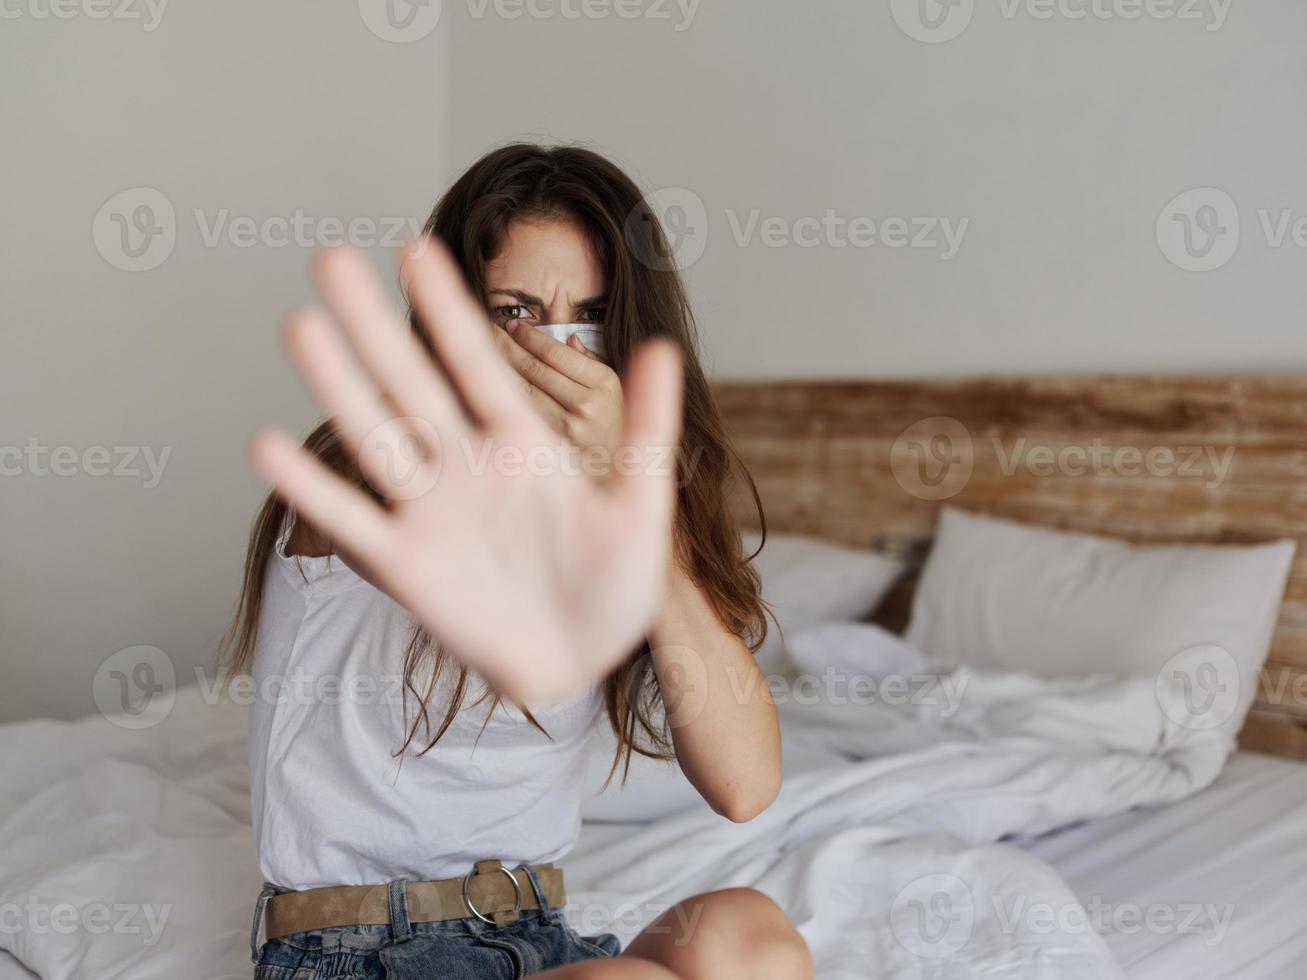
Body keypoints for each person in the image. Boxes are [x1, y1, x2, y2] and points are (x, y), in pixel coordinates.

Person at [226, 144, 813, 979]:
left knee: (749, 936)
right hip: (355, 950)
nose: (557, 350)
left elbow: (746, 785)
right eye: (515, 311)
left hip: (532, 933)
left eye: (588, 317)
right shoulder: (367, 464)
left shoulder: (626, 504)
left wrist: (633, 492)